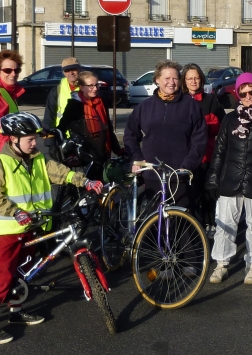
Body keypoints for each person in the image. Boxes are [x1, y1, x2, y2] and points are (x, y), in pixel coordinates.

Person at [0, 112, 103, 345]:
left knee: (20, 270)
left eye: (34, 138)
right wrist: (15, 211)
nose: (34, 142)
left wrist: (85, 181)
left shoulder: (36, 159)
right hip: (7, 228)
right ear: (13, 139)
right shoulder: (0, 164)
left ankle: (16, 312)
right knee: (3, 272)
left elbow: (59, 172)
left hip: (30, 225)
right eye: (29, 139)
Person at [205, 73, 252, 285]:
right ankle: (222, 264)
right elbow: (219, 152)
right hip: (230, 179)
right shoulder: (229, 119)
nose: (247, 96)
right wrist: (213, 178)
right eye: (242, 93)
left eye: (251, 92)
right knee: (225, 224)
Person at [122, 60, 207, 209]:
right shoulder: (145, 107)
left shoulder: (191, 106)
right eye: (167, 79)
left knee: (181, 224)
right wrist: (136, 158)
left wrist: (188, 165)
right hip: (153, 174)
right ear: (157, 80)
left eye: (174, 78)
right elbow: (130, 135)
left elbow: (199, 140)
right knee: (155, 224)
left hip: (180, 175)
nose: (171, 82)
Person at [181, 63, 226, 233]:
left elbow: (223, 126)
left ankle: (210, 224)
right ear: (184, 81)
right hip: (184, 157)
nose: (194, 81)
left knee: (208, 193)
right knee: (188, 194)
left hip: (207, 155)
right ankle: (190, 227)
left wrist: (203, 128)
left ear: (201, 79)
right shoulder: (179, 101)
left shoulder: (211, 100)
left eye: (196, 78)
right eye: (190, 78)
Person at [57, 70, 125, 176]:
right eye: (90, 86)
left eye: (96, 85)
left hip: (103, 152)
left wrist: (117, 149)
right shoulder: (75, 104)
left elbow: (107, 127)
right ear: (81, 87)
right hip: (86, 155)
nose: (95, 88)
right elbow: (62, 127)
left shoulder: (101, 101)